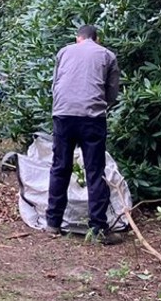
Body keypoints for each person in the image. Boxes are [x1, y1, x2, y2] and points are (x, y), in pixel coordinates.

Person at [46, 24, 123, 244]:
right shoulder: (107, 55)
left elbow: (55, 84)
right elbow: (112, 91)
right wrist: (100, 106)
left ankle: (53, 223)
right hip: (92, 118)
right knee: (94, 171)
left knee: (60, 167)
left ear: (77, 38)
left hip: (63, 115)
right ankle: (98, 228)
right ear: (96, 39)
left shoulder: (64, 51)